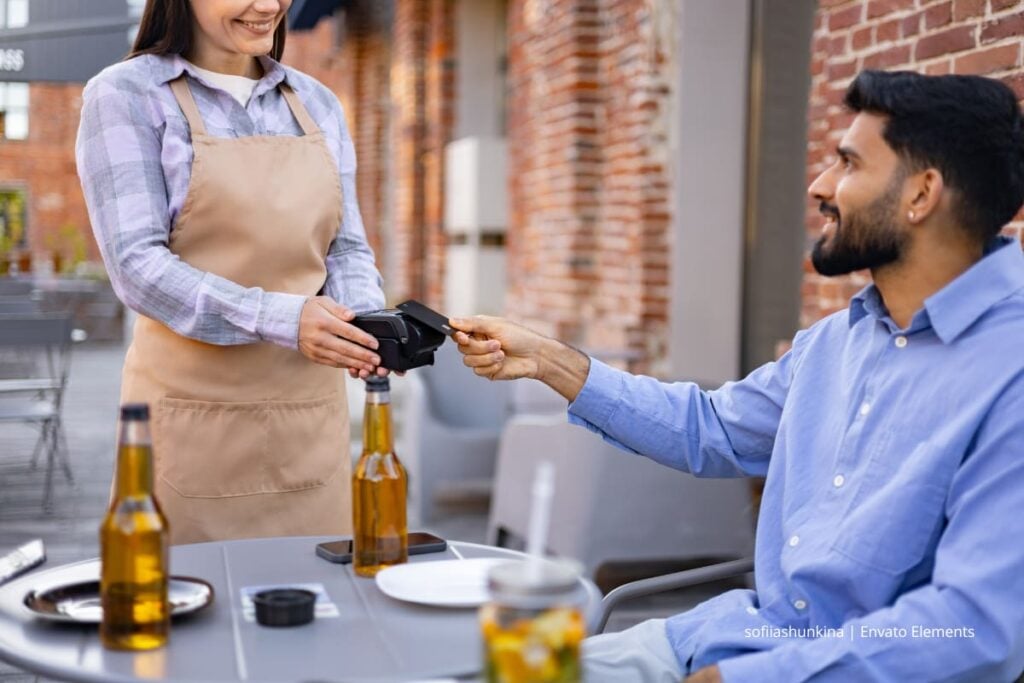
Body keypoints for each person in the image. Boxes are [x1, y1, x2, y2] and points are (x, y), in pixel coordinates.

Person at [450, 70, 1024, 682]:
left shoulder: (1008, 373)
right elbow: (711, 426)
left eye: (849, 164)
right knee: (473, 674)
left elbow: (973, 627)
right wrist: (547, 359)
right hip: (723, 638)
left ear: (921, 194)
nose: (820, 184)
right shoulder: (836, 341)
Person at [76, 0, 387, 544]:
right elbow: (137, 266)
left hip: (308, 426)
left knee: (319, 608)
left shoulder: (317, 104)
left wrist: (369, 326)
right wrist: (286, 318)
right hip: (190, 429)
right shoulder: (125, 95)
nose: (268, 5)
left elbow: (346, 248)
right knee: (189, 612)